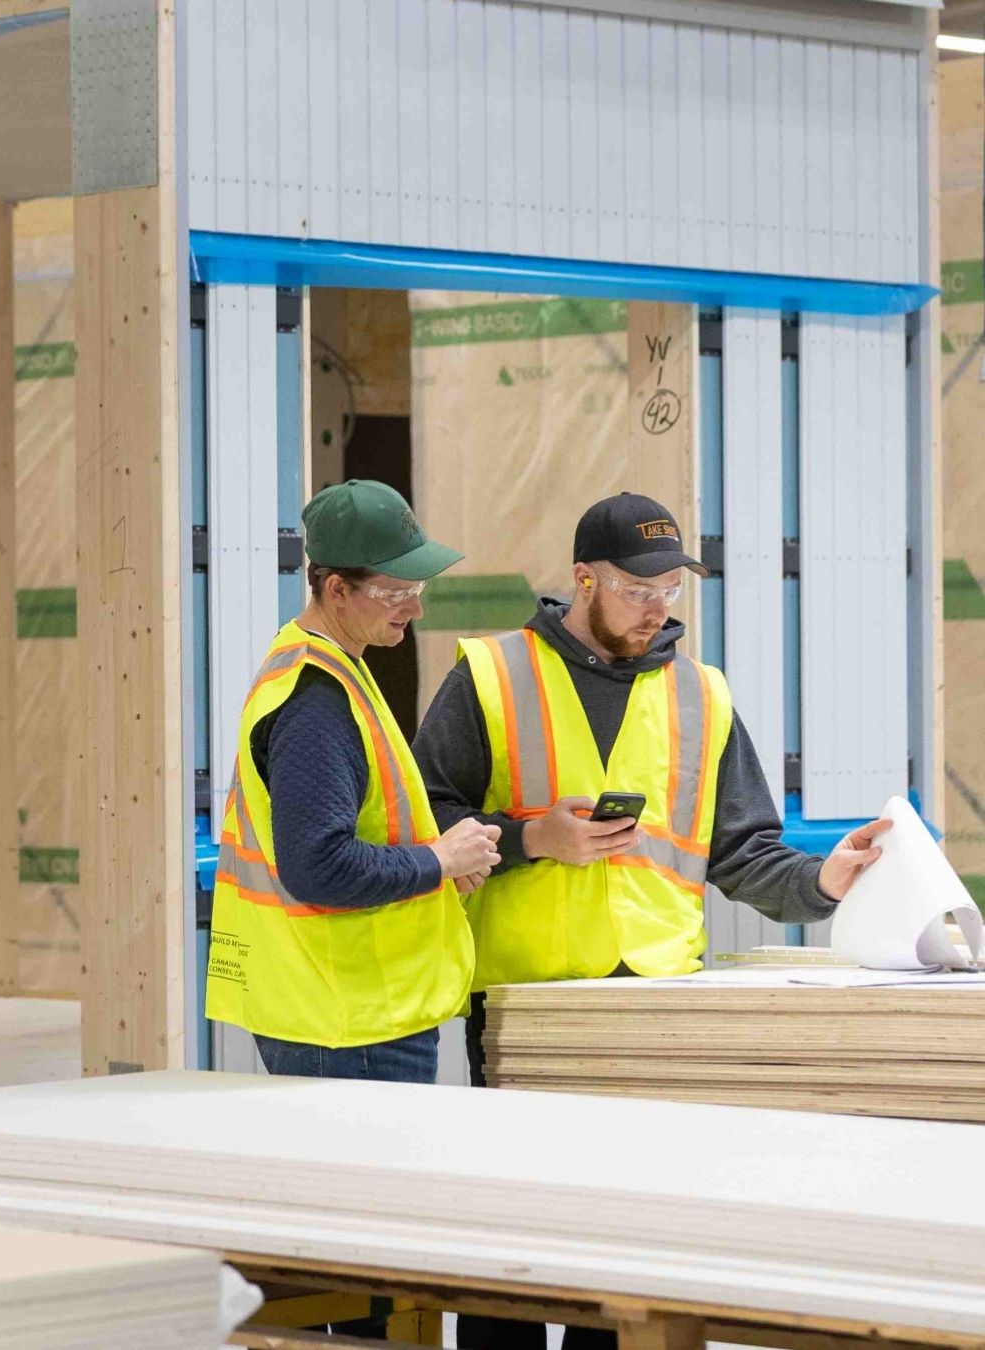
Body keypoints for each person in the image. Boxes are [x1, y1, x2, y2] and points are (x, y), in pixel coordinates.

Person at [413, 491, 889, 1350]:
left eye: (670, 588)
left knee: (626, 1247)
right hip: (527, 1000)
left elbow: (743, 852)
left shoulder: (702, 695)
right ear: (583, 578)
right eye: (638, 589)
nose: (656, 605)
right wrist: (533, 839)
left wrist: (825, 880)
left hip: (651, 1009)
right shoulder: (492, 672)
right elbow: (426, 823)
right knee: (516, 1240)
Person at [206, 479, 500, 1086]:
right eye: (395, 591)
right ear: (335, 588)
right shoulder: (316, 702)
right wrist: (437, 860)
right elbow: (319, 867)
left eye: (418, 589)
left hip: (347, 1009)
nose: (414, 609)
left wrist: (436, 865)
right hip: (346, 1020)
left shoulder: (335, 670)